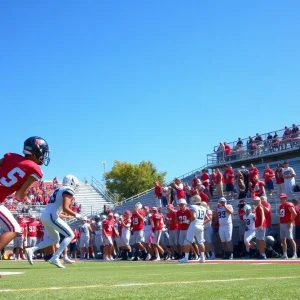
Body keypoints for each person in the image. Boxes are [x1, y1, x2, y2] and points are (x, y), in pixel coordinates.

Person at [0, 136, 50, 253]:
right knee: (13, 228)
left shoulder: (11, 157)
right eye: (43, 152)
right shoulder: (35, 170)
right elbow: (19, 195)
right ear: (37, 151)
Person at [25, 175, 82, 268]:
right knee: (70, 235)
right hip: (51, 216)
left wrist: (68, 217)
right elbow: (65, 208)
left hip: (46, 215)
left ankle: (32, 249)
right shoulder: (68, 190)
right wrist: (76, 215)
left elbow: (57, 210)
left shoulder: (58, 190)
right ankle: (55, 257)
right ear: (71, 183)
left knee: (55, 239)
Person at [179, 195, 207, 263]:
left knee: (187, 241)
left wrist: (188, 221)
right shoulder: (203, 208)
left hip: (194, 225)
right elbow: (206, 218)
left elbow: (193, 217)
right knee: (201, 242)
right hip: (201, 226)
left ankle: (185, 258)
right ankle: (203, 258)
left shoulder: (193, 207)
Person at [279, 193, 297, 259]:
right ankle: (285, 254)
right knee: (283, 240)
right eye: (280, 198)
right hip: (282, 224)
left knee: (291, 239)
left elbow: (294, 214)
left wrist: (290, 222)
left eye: (282, 198)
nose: (281, 199)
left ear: (285, 198)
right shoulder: (281, 206)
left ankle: (295, 254)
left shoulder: (289, 205)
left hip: (287, 224)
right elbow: (281, 216)